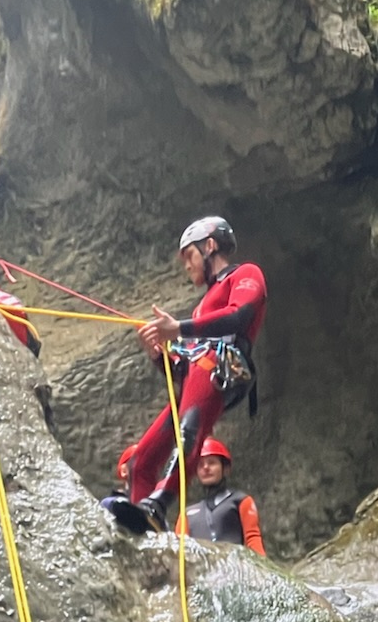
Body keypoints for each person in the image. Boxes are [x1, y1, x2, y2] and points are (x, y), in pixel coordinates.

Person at [103, 215, 267, 533]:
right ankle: (141, 519)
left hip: (221, 369)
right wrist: (159, 355)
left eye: (189, 255)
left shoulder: (246, 274)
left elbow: (239, 315)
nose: (187, 266)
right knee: (141, 461)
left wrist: (177, 328)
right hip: (199, 375)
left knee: (189, 432)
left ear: (209, 246)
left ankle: (158, 504)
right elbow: (183, 378)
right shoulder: (201, 308)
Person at [177, 439, 265, 553]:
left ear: (226, 469)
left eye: (212, 462)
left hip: (234, 567)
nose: (206, 468)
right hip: (200, 568)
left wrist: (262, 568)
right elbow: (178, 551)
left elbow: (252, 538)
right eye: (200, 465)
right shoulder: (187, 514)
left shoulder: (241, 501)